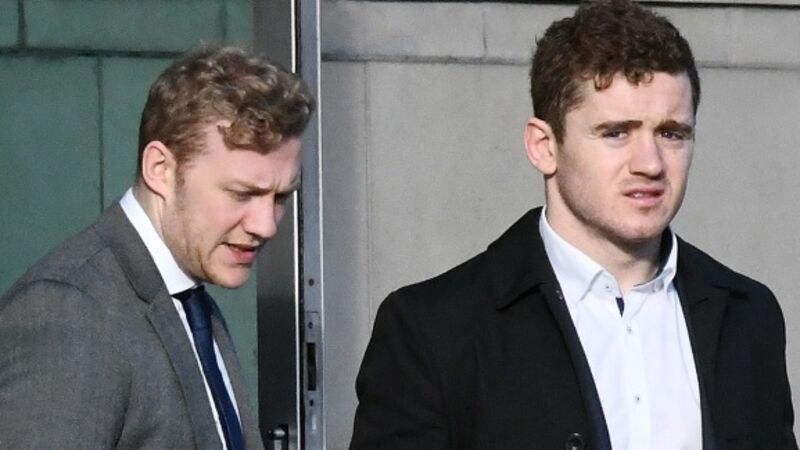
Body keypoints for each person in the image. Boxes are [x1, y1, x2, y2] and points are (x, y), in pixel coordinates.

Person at [349, 1, 796, 449]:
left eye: (671, 133)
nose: (650, 163)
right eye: (616, 132)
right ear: (543, 146)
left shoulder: (748, 316)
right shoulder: (433, 329)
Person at [0, 46, 314, 449]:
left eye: (280, 197)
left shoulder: (189, 300)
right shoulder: (70, 312)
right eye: (241, 194)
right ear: (160, 169)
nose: (265, 225)